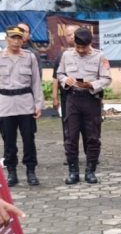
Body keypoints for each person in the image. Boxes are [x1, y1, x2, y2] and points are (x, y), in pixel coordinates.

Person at [57, 27, 112, 184]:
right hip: (72, 99)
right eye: (78, 47)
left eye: (84, 47)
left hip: (91, 100)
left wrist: (91, 84)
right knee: (71, 137)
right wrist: (65, 80)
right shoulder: (67, 55)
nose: (80, 50)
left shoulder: (100, 56)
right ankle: (73, 172)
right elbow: (59, 74)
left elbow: (107, 78)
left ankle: (90, 171)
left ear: (90, 43)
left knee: (93, 137)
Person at [0, 26, 44, 187]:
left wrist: (38, 104)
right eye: (13, 37)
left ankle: (31, 171)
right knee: (8, 141)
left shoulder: (29, 57)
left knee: (29, 139)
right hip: (5, 104)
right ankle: (12, 172)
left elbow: (36, 82)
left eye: (19, 38)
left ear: (23, 39)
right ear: (7, 39)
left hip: (26, 103)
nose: (16, 41)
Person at [52, 24, 88, 165]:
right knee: (68, 128)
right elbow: (56, 77)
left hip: (87, 96)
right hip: (68, 97)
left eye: (74, 33)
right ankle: (70, 156)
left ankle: (90, 154)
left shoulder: (93, 54)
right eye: (68, 35)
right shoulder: (62, 55)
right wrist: (55, 97)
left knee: (87, 127)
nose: (72, 37)